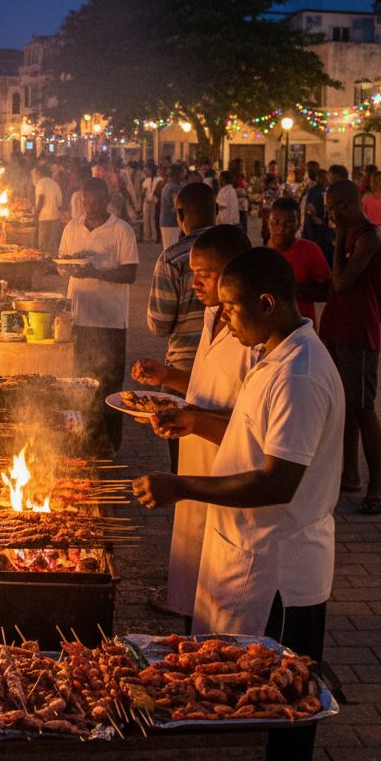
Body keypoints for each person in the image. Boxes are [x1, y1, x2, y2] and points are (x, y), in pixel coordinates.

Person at [134, 247, 344, 761]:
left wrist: (184, 487)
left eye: (231, 307)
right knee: (226, 698)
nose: (222, 319)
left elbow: (277, 480)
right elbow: (253, 432)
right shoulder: (274, 355)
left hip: (276, 572)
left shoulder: (299, 373)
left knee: (271, 709)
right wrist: (196, 421)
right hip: (246, 555)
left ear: (269, 302)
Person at [132, 225, 253, 625]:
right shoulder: (212, 315)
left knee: (222, 590)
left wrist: (195, 420)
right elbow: (202, 384)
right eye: (192, 271)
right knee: (193, 568)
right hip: (195, 453)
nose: (194, 282)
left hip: (228, 465)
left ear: (236, 273)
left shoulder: (252, 334)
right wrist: (166, 377)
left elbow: (255, 421)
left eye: (206, 273)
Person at [58, 177, 138, 456]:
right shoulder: (71, 227)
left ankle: (112, 445)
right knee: (79, 383)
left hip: (111, 321)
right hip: (79, 318)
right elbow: (63, 262)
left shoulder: (122, 230)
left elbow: (130, 273)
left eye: (95, 203)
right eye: (85, 202)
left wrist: (95, 271)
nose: (89, 208)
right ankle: (83, 441)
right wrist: (67, 267)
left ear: (107, 201)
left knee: (110, 386)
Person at [320, 180, 381, 514]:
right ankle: (350, 473)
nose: (331, 214)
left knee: (362, 407)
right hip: (336, 327)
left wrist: (335, 244)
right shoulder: (348, 233)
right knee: (343, 405)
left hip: (359, 333)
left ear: (346, 206)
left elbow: (342, 281)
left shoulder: (369, 238)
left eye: (333, 208)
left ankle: (376, 486)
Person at [147, 182, 216, 470]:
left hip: (183, 367)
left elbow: (159, 324)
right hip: (229, 373)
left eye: (205, 276)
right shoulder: (240, 250)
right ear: (215, 212)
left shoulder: (173, 257)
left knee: (184, 464)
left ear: (179, 214)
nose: (198, 282)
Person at [266, 197, 330, 324]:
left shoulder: (311, 250)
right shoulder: (261, 256)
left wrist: (292, 290)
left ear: (298, 224)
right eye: (275, 222)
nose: (280, 228)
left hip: (301, 333)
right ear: (268, 222)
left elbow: (327, 291)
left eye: (288, 223)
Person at [32, 164, 64, 255]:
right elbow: (59, 203)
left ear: (39, 173)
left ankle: (44, 267)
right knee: (54, 248)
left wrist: (36, 214)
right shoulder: (54, 183)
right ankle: (53, 267)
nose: (35, 176)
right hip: (56, 218)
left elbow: (41, 199)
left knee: (43, 248)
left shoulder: (41, 183)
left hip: (45, 219)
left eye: (36, 174)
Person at [158, 164, 184, 249]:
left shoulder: (167, 186)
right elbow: (177, 205)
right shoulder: (173, 188)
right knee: (172, 249)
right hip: (172, 223)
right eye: (182, 173)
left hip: (167, 222)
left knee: (168, 248)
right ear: (178, 174)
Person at [140, 164, 161, 242]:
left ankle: (153, 236)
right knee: (146, 219)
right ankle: (147, 236)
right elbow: (143, 192)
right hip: (147, 201)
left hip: (154, 201)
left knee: (152, 219)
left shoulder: (159, 179)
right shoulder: (147, 180)